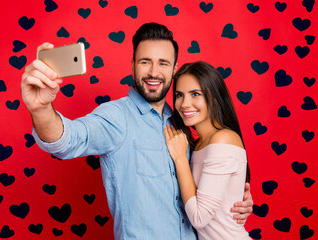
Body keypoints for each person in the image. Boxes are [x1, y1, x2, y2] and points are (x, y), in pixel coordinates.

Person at [21, 23, 253, 239]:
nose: (153, 72)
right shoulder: (116, 117)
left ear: (174, 69)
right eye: (145, 61)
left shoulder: (181, 123)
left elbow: (203, 192)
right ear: (132, 65)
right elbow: (69, 140)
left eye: (163, 63)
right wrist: (41, 109)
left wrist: (232, 201)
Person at [164, 61, 252, 239]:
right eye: (179, 95)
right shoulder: (198, 145)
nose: (184, 104)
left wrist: (180, 159)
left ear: (214, 97)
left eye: (195, 94)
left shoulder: (224, 139)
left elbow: (199, 218)